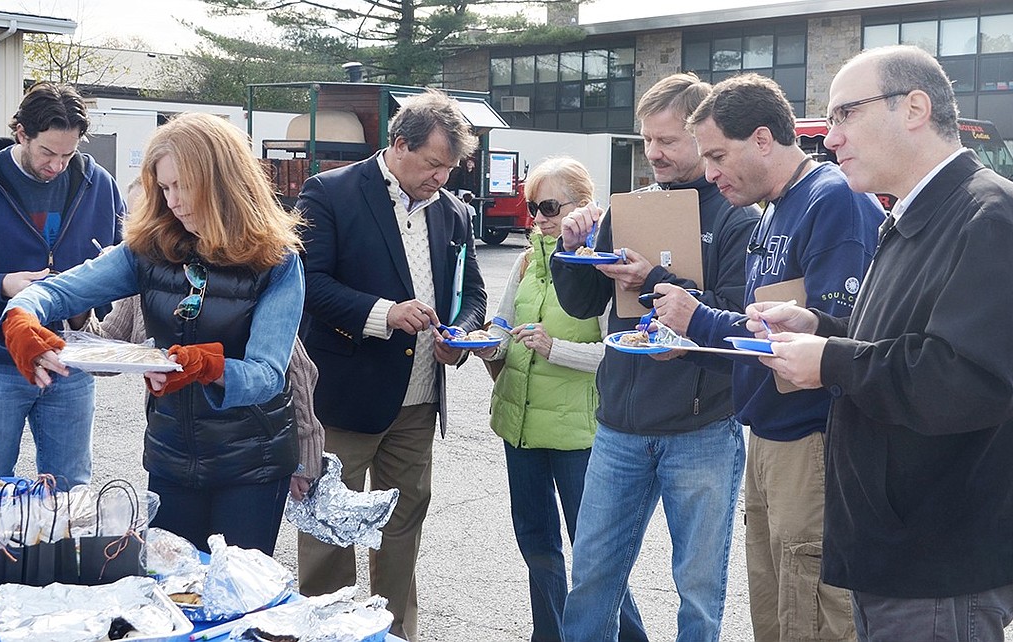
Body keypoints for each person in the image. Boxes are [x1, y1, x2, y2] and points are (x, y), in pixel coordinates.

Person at [749, 45, 1013, 641]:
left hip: (942, 561)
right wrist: (823, 329)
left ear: (914, 107)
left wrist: (832, 361)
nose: (830, 139)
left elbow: (972, 381)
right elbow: (904, 343)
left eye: (845, 115)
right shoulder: (914, 214)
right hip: (901, 552)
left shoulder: (989, 214)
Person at [0, 111, 306, 556]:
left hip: (251, 462)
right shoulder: (147, 249)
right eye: (165, 187)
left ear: (223, 181)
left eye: (185, 185)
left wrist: (208, 366)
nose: (174, 201)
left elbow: (268, 374)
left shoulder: (277, 260)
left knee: (235, 600)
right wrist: (21, 317)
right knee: (169, 588)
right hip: (170, 455)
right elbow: (57, 291)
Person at [651, 73, 883, 642]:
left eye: (717, 155)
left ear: (761, 139)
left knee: (813, 611)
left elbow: (839, 339)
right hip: (769, 438)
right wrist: (689, 342)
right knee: (776, 611)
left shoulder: (833, 201)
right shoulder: (777, 207)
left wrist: (698, 320)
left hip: (813, 442)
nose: (708, 173)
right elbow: (762, 330)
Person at [551, 73, 760, 642]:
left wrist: (656, 280)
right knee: (592, 577)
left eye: (667, 141)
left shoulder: (739, 216)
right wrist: (569, 249)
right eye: (647, 140)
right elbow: (581, 303)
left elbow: (740, 321)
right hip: (619, 425)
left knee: (698, 589)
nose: (654, 153)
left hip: (702, 429)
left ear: (701, 135)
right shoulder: (630, 209)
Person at [295, 89, 487, 641]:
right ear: (398, 144)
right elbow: (308, 284)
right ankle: (326, 630)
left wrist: (463, 332)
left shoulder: (453, 211)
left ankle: (393, 632)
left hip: (420, 399)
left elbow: (470, 289)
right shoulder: (330, 193)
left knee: (404, 524)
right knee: (331, 524)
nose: (441, 179)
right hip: (347, 397)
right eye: (432, 165)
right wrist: (383, 313)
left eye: (450, 168)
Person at [475, 156, 640, 642]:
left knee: (595, 556)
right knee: (537, 544)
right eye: (532, 207)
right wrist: (487, 343)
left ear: (583, 206)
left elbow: (620, 353)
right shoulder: (528, 259)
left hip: (577, 432)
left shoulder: (602, 263)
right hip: (519, 424)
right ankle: (548, 634)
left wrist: (555, 347)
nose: (539, 218)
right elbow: (504, 324)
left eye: (549, 207)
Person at [86, 177, 324, 500]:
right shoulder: (142, 274)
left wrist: (305, 457)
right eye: (142, 215)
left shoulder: (248, 272)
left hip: (249, 457)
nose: (163, 218)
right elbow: (110, 348)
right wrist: (78, 308)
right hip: (173, 453)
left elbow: (295, 370)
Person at [0, 81, 123, 488]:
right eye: (47, 152)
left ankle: (63, 556)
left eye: (69, 153)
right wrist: (1, 284)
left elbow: (119, 261)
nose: (57, 165)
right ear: (21, 133)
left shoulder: (98, 183)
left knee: (71, 490)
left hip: (70, 362)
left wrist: (90, 304)